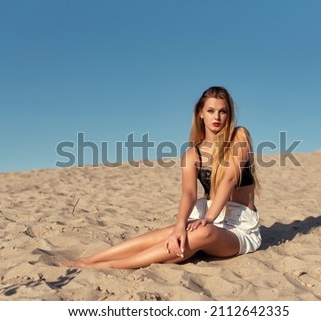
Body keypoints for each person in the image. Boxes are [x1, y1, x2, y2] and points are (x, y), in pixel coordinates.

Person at [61, 86, 261, 269]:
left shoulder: (239, 136)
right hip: (207, 215)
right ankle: (90, 260)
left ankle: (108, 266)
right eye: (210, 111)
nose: (217, 116)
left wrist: (208, 219)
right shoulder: (193, 153)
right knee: (171, 234)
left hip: (238, 226)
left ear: (229, 114)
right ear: (200, 114)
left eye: (222, 111)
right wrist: (180, 226)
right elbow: (189, 194)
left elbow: (228, 179)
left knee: (202, 233)